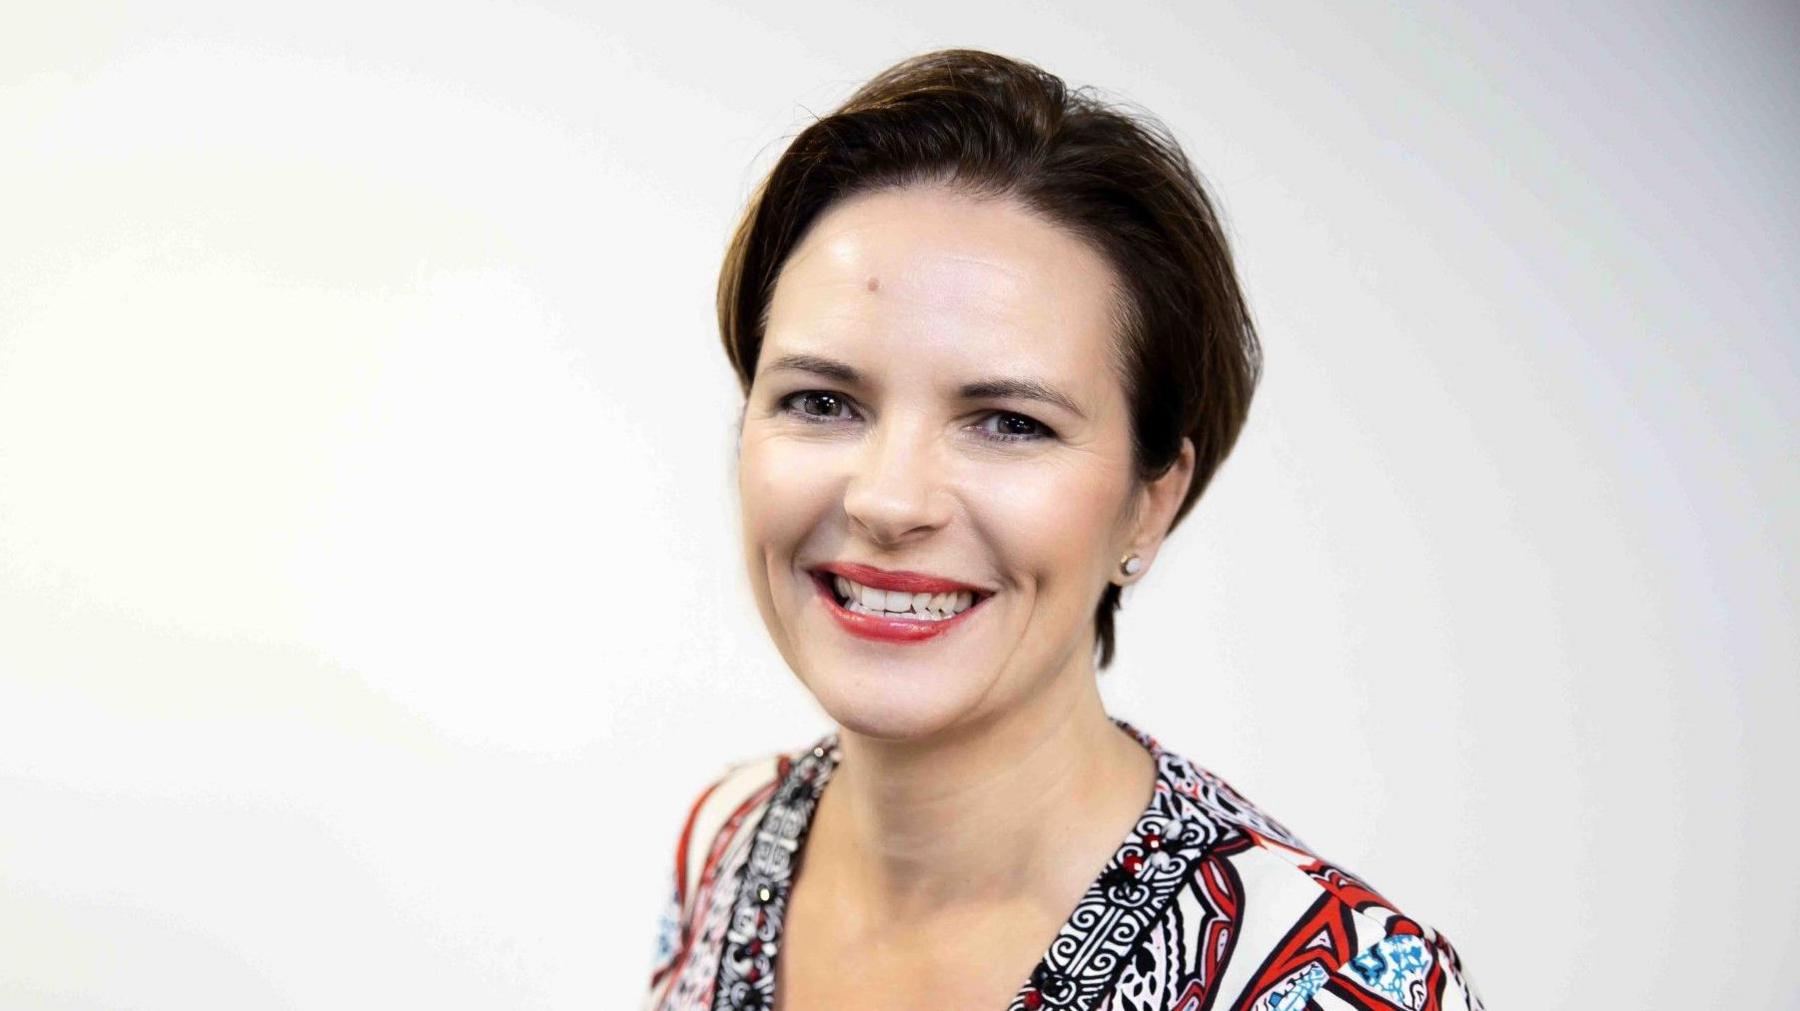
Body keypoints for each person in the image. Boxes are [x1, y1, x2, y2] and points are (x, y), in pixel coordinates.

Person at [643, 48, 1482, 1011]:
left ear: (1151, 500)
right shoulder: (721, 840)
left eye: (1010, 422)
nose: (887, 499)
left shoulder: (1337, 986)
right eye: (823, 400)